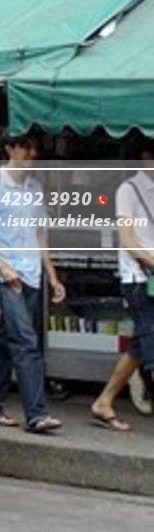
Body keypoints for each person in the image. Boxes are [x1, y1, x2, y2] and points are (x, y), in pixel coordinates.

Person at [0, 134, 64, 434]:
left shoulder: (34, 187)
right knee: (25, 341)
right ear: (10, 148)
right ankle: (36, 413)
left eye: (34, 147)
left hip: (32, 273)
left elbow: (40, 234)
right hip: (8, 276)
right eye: (25, 146)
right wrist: (2, 266)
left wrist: (52, 275)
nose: (30, 152)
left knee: (5, 344)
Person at [90, 137, 154, 432]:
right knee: (149, 336)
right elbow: (126, 239)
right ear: (145, 157)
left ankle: (105, 401)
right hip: (139, 277)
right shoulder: (128, 189)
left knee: (142, 342)